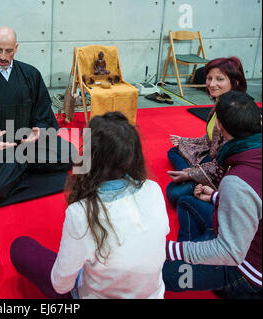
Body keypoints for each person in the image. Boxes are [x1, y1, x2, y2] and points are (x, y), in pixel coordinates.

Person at [10, 112, 170, 299]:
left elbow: (61, 284)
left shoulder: (81, 213)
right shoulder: (154, 189)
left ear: (89, 156)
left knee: (20, 248)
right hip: (153, 293)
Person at [0, 26, 74, 204]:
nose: (3, 56)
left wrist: (39, 130)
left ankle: (18, 167)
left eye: (8, 51)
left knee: (71, 154)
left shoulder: (31, 75)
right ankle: (27, 165)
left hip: (29, 144)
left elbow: (43, 112)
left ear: (16, 48)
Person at [163, 90, 262, 299]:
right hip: (245, 233)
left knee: (160, 273)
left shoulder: (237, 180)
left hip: (244, 273)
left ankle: (197, 259)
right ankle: (198, 250)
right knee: (186, 201)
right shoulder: (249, 158)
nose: (212, 84)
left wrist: (170, 250)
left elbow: (230, 253)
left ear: (220, 126)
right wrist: (216, 197)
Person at [166, 57, 247, 208]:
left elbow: (225, 162)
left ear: (235, 82)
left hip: (226, 168)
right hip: (214, 156)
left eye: (219, 79)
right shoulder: (220, 103)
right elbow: (211, 140)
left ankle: (196, 179)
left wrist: (190, 174)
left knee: (173, 193)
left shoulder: (235, 112)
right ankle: (193, 175)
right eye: (209, 78)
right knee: (174, 151)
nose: (212, 84)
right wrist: (185, 141)